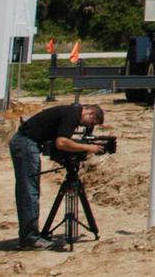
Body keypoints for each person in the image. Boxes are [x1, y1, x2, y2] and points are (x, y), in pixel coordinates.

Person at [10, 104, 106, 250]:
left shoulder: (71, 111)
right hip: (26, 143)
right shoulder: (73, 114)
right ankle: (29, 239)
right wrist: (88, 148)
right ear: (90, 113)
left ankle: (30, 236)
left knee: (29, 190)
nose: (87, 126)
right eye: (91, 123)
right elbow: (61, 143)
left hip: (28, 142)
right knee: (29, 191)